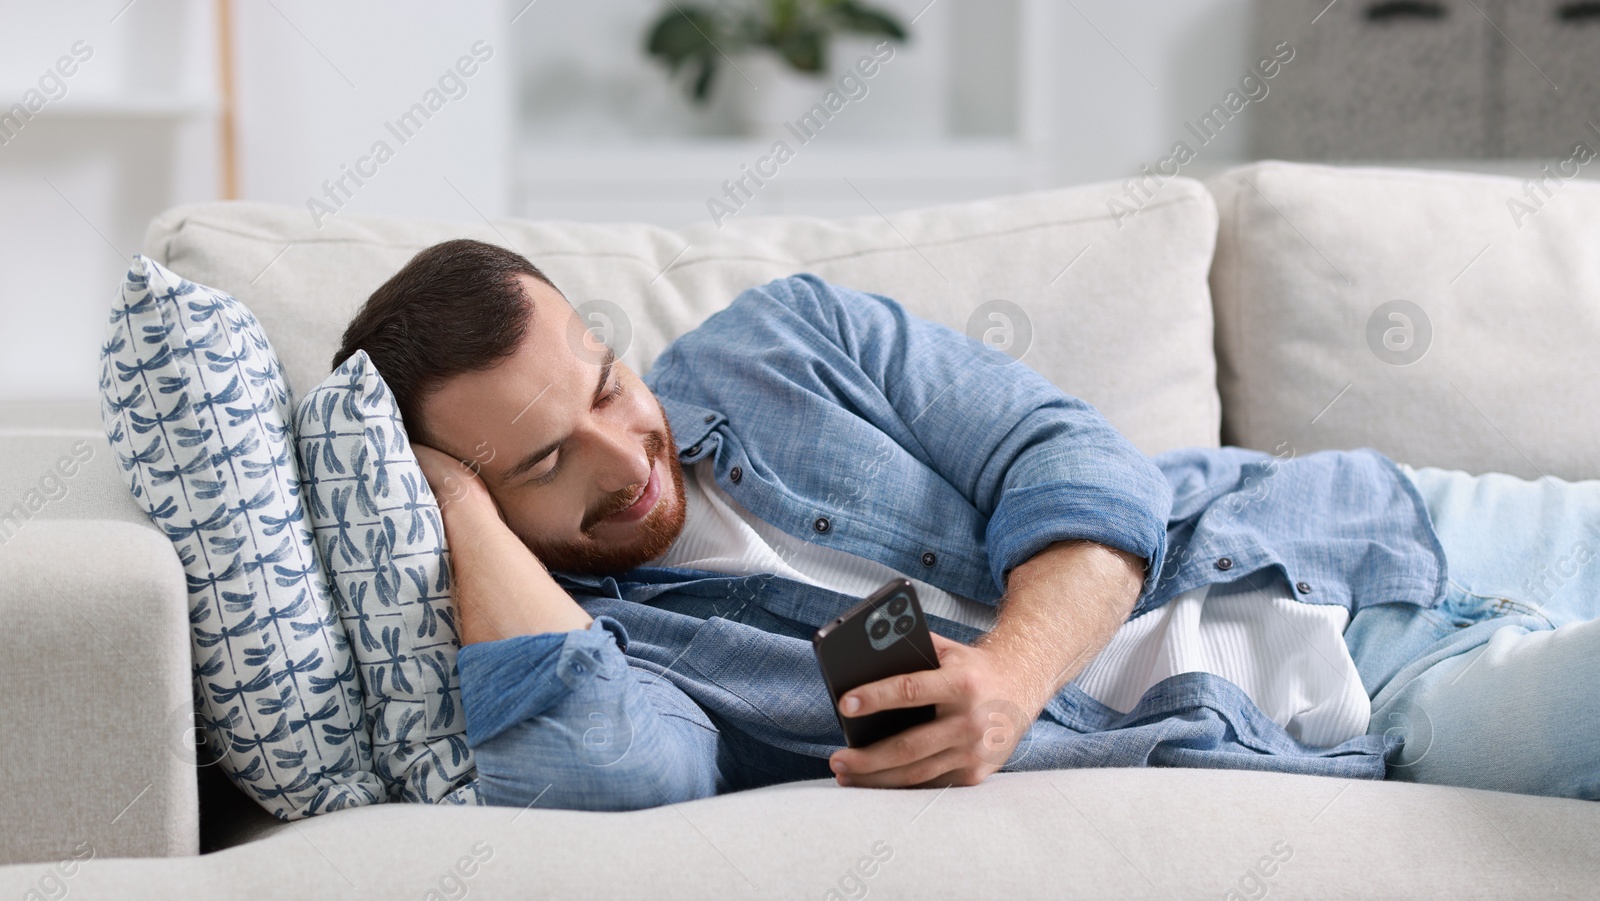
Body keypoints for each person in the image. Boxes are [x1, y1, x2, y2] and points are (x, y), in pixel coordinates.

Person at [332, 239, 1599, 811]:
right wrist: (445, 503)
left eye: (608, 381)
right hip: (1365, 698)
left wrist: (1011, 672)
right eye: (549, 460)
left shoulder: (786, 337)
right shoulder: (634, 653)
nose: (629, 457)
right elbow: (611, 769)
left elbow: (1078, 457)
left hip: (1377, 530)